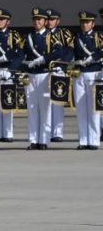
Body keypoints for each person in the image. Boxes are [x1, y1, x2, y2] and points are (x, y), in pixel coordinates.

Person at [0, 9, 22, 142]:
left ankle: (8, 133)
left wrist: (12, 69)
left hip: (7, 71)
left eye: (2, 19)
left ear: (8, 21)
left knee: (7, 101)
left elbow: (19, 54)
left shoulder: (14, 36)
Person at [22, 8, 51, 150]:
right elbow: (21, 54)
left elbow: (59, 52)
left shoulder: (51, 36)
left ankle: (43, 140)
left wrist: (43, 59)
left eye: (39, 19)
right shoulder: (29, 37)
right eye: (35, 19)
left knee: (44, 109)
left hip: (44, 74)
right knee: (32, 108)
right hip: (31, 75)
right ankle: (33, 140)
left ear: (45, 21)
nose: (37, 22)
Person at [73, 11, 102, 150]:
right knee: (81, 109)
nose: (84, 24)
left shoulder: (99, 36)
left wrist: (92, 57)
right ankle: (83, 140)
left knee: (93, 110)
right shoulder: (77, 37)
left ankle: (94, 140)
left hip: (93, 74)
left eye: (87, 22)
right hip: (79, 74)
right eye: (82, 22)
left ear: (93, 24)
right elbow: (70, 52)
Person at [45, 9, 74, 142]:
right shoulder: (42, 33)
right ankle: (46, 132)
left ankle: (57, 133)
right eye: (48, 19)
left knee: (57, 102)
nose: (49, 22)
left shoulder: (64, 33)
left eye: (52, 19)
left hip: (58, 70)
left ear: (58, 21)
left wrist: (62, 64)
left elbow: (70, 51)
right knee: (46, 104)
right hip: (44, 71)